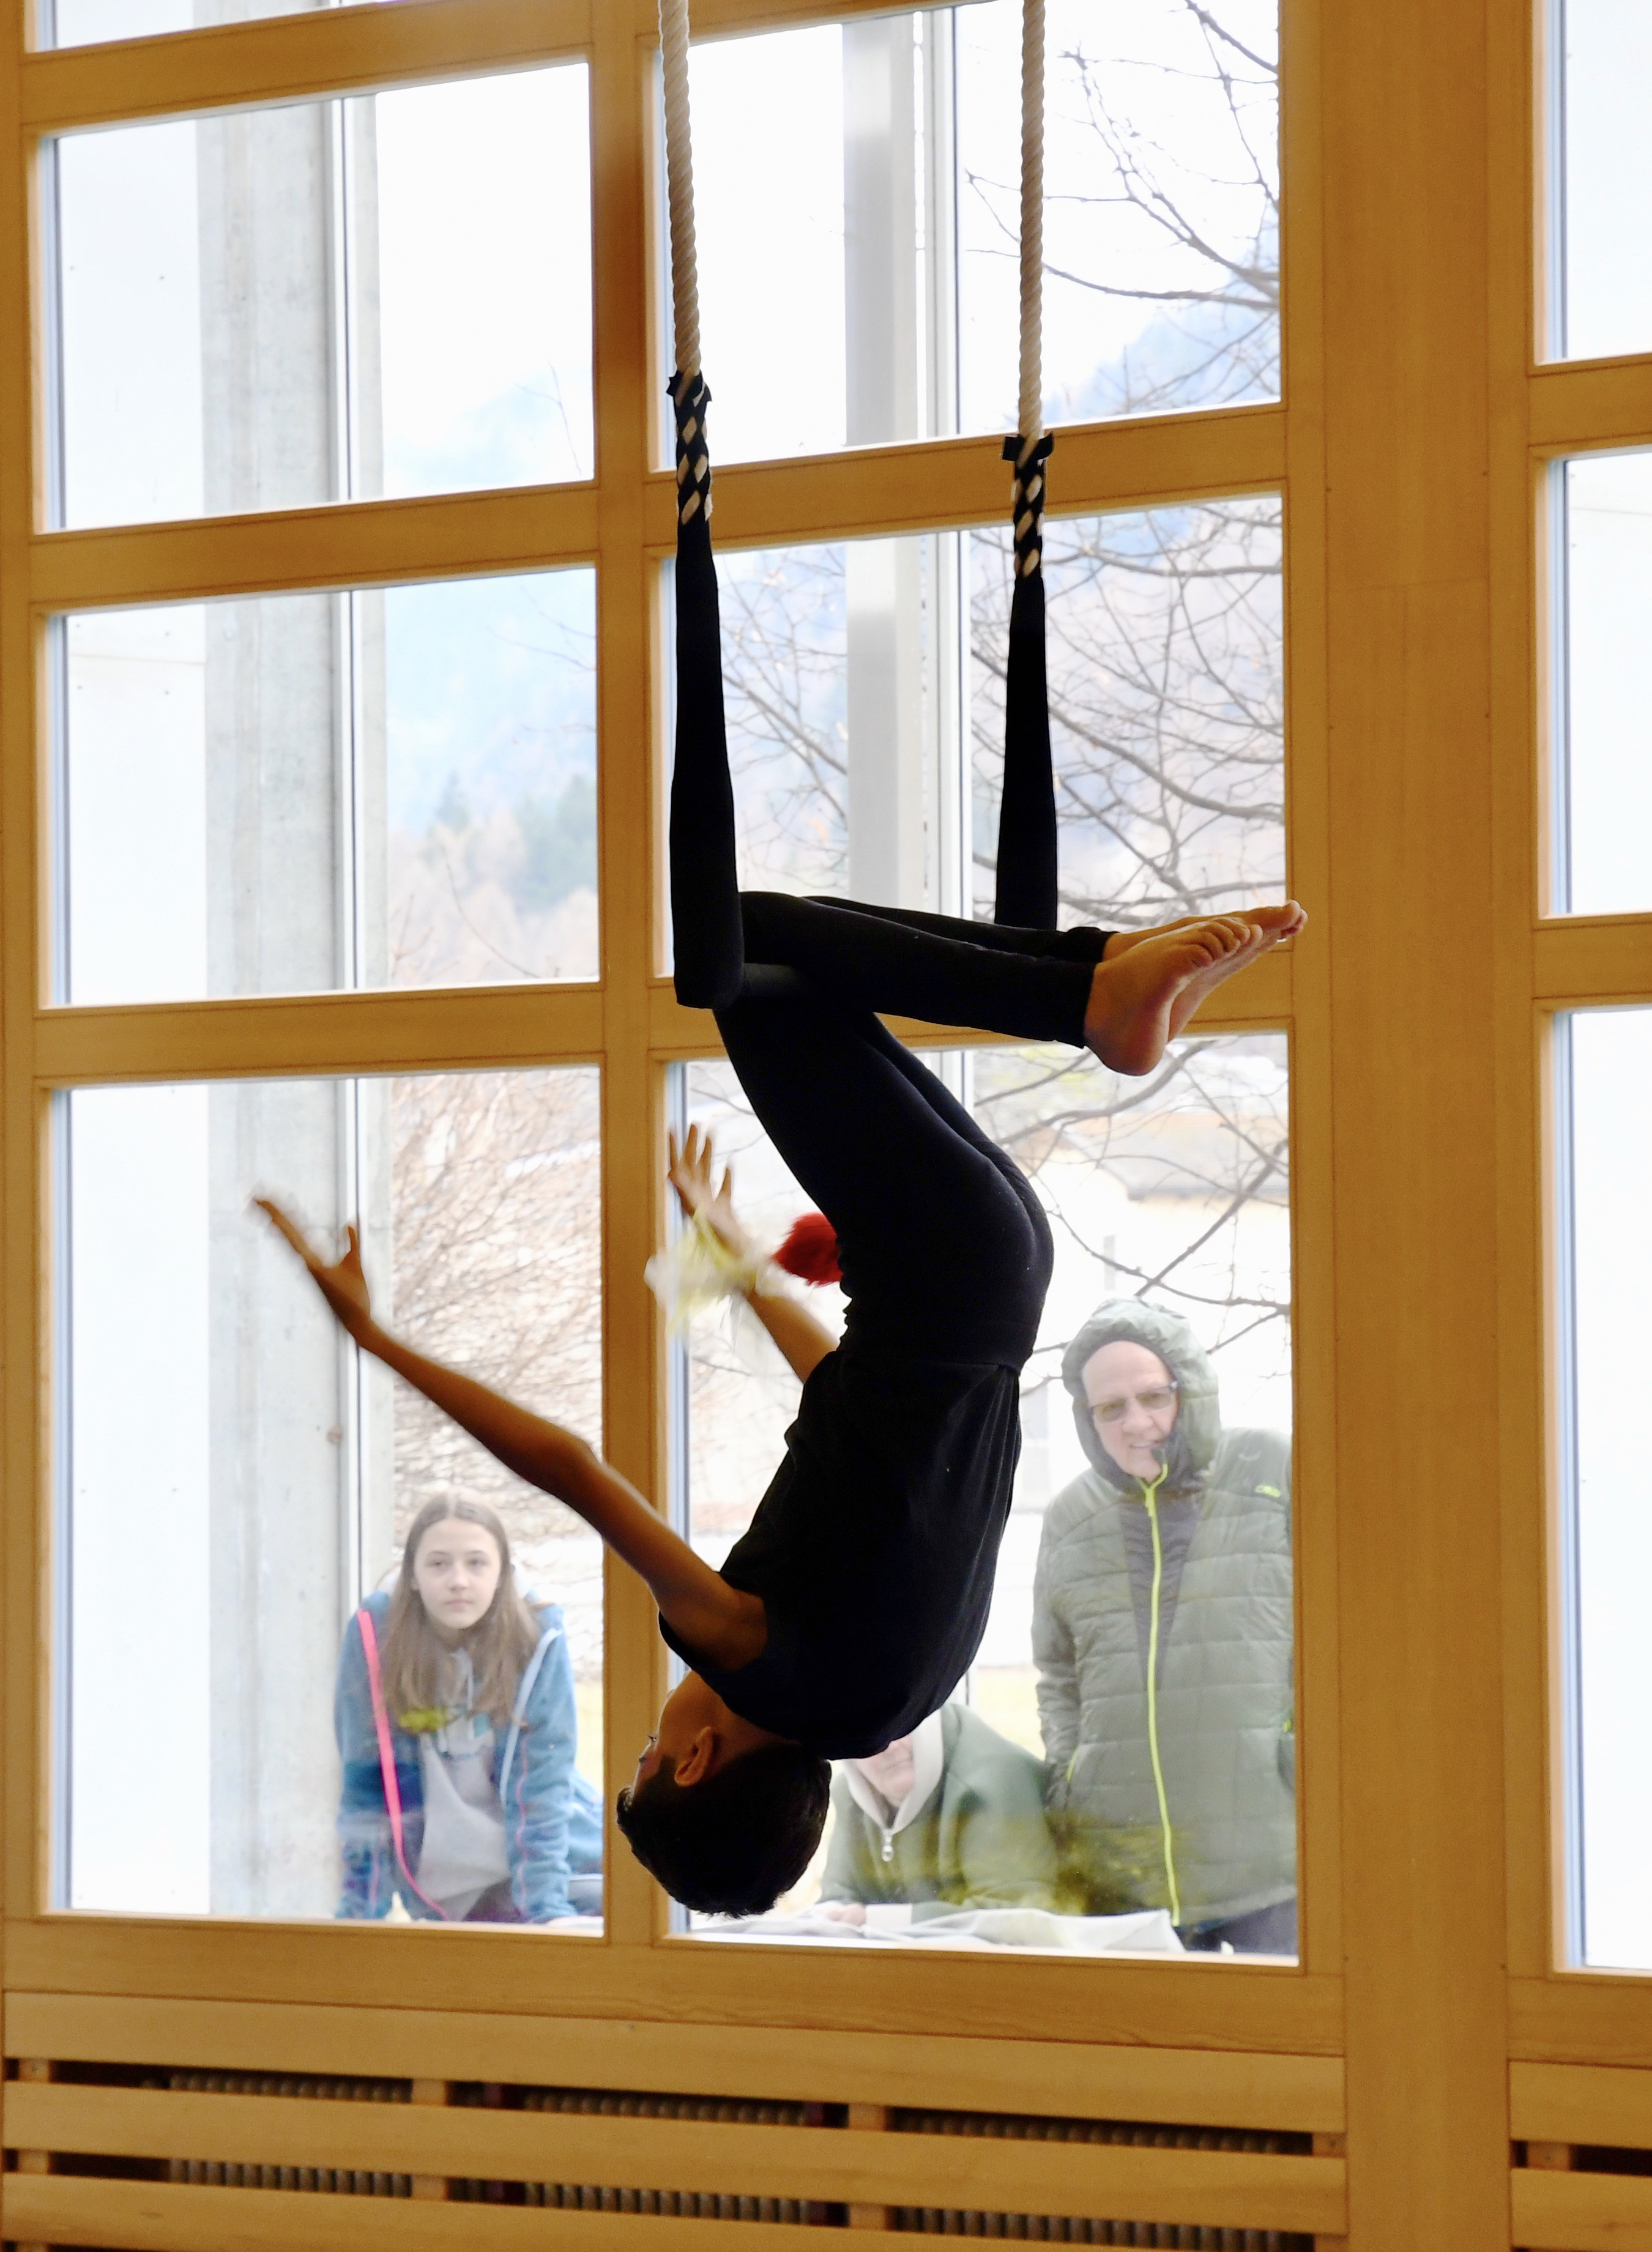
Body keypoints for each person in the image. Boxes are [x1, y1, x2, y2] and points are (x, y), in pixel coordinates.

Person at [259, 368, 1304, 1919]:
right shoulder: (748, 1655)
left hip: (991, 1268)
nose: (655, 1721)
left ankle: (1082, 984)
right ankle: (1088, 996)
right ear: (695, 1761)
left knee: (775, 959)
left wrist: (741, 1266)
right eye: (649, 1747)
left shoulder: (895, 1683)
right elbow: (574, 1470)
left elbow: (859, 1407)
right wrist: (375, 1337)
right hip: (939, 1270)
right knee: (732, 951)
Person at [1032, 1300, 1295, 1954]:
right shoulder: (1070, 1518)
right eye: (1110, 1408)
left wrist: (1299, 1749)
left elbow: (1349, 1628)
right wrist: (1070, 1775)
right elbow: (1057, 1673)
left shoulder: (1272, 1468)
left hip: (1272, 1863)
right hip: (1126, 1874)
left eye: (1154, 1396)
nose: (1136, 1423)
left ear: (1191, 1390)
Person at [335, 1495, 603, 1923]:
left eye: (476, 1563)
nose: (458, 1580)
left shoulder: (535, 1640)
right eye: (439, 1564)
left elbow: (544, 1786)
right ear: (413, 1576)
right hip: (452, 1896)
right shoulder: (376, 1640)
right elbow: (365, 1788)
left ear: (502, 1574)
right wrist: (359, 1918)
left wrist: (547, 1910)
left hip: (563, 1872)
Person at [817, 1703, 1059, 1921]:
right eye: (874, 1736)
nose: (891, 1747)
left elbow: (1016, 1914)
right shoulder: (852, 1794)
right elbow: (836, 1901)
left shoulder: (993, 1782)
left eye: (903, 1725)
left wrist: (879, 1919)